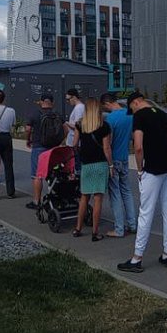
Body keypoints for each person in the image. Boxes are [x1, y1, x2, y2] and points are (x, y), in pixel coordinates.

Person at [118, 92, 167, 273]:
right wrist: (162, 147)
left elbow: (138, 147)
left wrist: (139, 170)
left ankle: (137, 258)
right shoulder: (163, 114)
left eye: (132, 108)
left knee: (145, 213)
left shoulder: (139, 117)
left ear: (136, 102)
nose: (132, 111)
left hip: (151, 170)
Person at [73, 96, 111, 241]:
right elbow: (107, 148)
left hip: (86, 164)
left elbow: (75, 144)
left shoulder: (79, 124)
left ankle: (78, 228)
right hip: (101, 163)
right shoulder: (104, 126)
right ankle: (95, 232)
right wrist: (111, 165)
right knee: (98, 199)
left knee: (84, 197)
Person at [103, 94, 138, 238]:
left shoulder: (110, 119)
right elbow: (132, 137)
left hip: (114, 159)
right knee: (127, 191)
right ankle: (133, 224)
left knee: (115, 193)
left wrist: (109, 163)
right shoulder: (129, 115)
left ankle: (118, 228)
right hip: (125, 158)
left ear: (107, 103)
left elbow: (108, 144)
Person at [26, 95, 59, 210]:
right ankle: (54, 198)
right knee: (53, 174)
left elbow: (28, 129)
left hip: (39, 147)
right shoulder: (56, 114)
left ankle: (36, 201)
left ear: (41, 102)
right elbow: (64, 128)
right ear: (52, 102)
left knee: (37, 175)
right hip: (54, 148)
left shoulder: (35, 114)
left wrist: (28, 139)